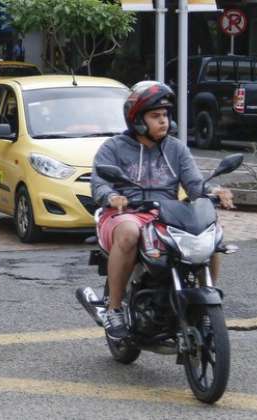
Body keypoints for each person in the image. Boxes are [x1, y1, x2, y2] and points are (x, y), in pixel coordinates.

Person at [91, 81, 234, 340]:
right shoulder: (114, 147)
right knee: (129, 233)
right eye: (155, 116)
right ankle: (113, 309)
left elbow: (194, 184)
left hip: (165, 213)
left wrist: (213, 192)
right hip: (125, 212)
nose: (163, 121)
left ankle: (205, 305)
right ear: (137, 119)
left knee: (209, 232)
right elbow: (98, 181)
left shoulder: (176, 148)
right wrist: (111, 196)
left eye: (166, 115)